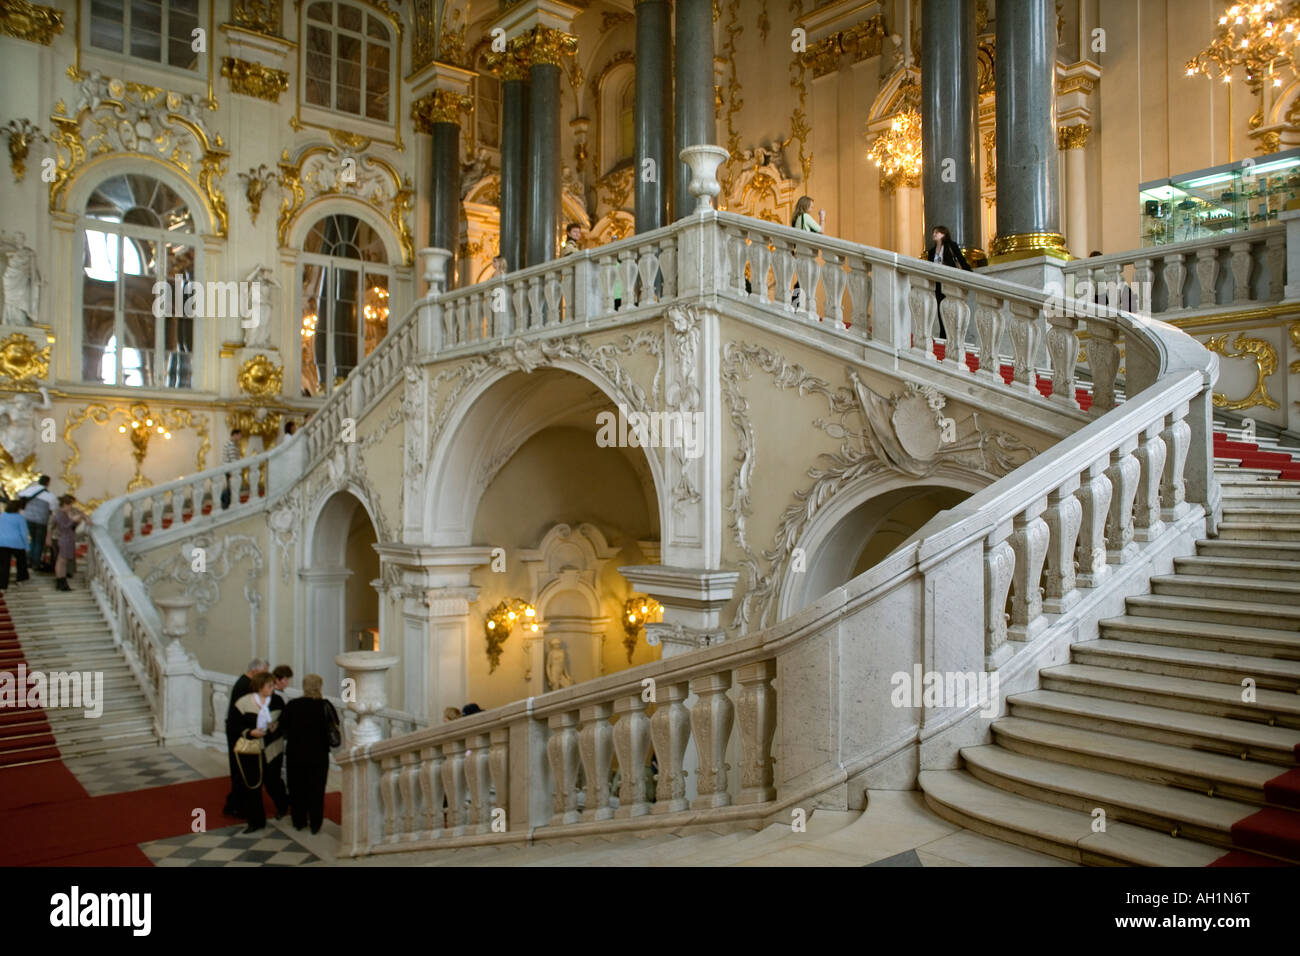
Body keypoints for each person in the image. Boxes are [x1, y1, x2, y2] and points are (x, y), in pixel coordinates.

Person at [279, 673, 339, 834]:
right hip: (318, 755)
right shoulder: (325, 705)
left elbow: (282, 727)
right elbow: (335, 726)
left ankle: (298, 821)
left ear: (304, 687)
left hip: (295, 754)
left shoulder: (293, 705)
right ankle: (315, 823)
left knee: (296, 788)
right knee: (316, 789)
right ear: (320, 687)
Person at [232, 671, 277, 833]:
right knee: (252, 785)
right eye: (270, 686)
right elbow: (234, 725)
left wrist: (274, 727)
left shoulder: (276, 701)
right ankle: (255, 820)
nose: (273, 688)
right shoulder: (243, 703)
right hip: (251, 751)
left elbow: (283, 721)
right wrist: (250, 733)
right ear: (260, 686)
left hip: (270, 750)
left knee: (272, 781)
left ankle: (281, 808)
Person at [223, 658, 268, 816]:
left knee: (241, 770)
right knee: (241, 770)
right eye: (264, 673)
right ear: (255, 671)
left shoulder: (245, 683)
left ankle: (238, 803)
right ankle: (236, 805)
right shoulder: (245, 686)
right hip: (239, 733)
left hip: (239, 731)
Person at [921, 225, 972, 338]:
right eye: (934, 232)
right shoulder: (931, 252)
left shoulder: (950, 246)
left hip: (950, 281)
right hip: (938, 283)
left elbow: (961, 260)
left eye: (937, 232)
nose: (934, 234)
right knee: (941, 308)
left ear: (944, 234)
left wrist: (970, 274)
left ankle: (954, 334)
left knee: (952, 308)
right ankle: (943, 334)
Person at [263, 665, 294, 819]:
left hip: (272, 740)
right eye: (286, 679)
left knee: (273, 776)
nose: (287, 683)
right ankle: (284, 802)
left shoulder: (276, 696)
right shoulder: (278, 697)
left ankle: (283, 802)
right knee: (273, 776)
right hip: (274, 741)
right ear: (279, 680)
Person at [790, 197, 825, 309]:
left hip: (799, 253)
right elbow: (821, 231)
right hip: (806, 254)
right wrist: (822, 217)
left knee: (801, 281)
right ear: (805, 206)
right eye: (811, 206)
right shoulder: (805, 217)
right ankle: (798, 307)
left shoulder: (796, 219)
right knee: (804, 283)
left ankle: (796, 306)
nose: (812, 208)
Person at [17, 476, 56, 571]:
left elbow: (20, 494)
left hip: (28, 518)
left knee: (33, 539)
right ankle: (35, 562)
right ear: (48, 483)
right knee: (39, 541)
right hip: (41, 520)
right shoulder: (49, 495)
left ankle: (29, 560)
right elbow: (53, 508)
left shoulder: (30, 490)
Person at [49, 495, 86, 592]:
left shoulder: (63, 514)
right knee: (61, 561)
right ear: (65, 504)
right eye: (70, 505)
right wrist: (73, 520)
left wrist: (76, 521)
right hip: (62, 538)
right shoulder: (59, 514)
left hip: (66, 538)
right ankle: (61, 581)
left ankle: (62, 581)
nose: (71, 507)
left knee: (62, 562)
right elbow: (64, 527)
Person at [0, 499, 30, 590]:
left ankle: (3, 584)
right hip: (17, 543)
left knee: (4, 564)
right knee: (21, 561)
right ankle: (20, 579)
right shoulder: (20, 518)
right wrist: (27, 546)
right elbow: (24, 533)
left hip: (2, 542)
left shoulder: (2, 516)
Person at [220, 428, 242, 510]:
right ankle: (225, 504)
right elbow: (233, 459)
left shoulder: (233, 444)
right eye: (239, 435)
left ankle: (226, 503)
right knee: (230, 487)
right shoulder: (230, 445)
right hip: (230, 469)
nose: (240, 437)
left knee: (230, 487)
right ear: (235, 435)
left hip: (230, 469)